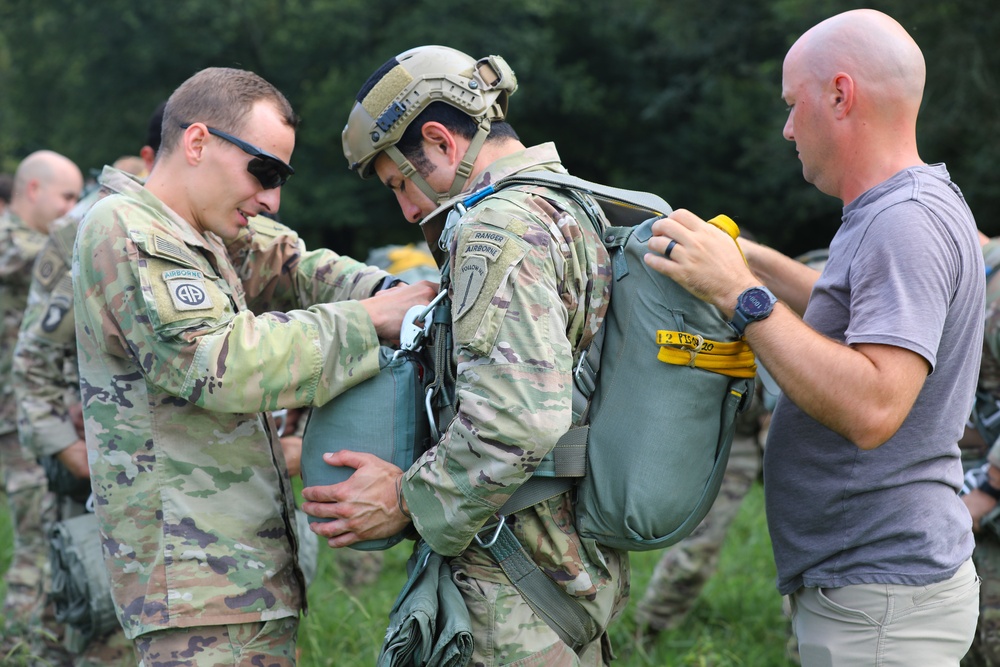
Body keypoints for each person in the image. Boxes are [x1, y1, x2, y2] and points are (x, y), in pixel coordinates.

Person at [644, 9, 983, 665]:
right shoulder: (904, 204)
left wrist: (738, 294)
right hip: (874, 586)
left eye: (793, 105)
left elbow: (874, 406)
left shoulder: (901, 224)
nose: (787, 128)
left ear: (839, 94)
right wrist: (746, 255)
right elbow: (841, 304)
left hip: (881, 597)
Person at [72, 67, 435, 666]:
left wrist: (410, 295)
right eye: (263, 172)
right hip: (195, 587)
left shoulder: (202, 231)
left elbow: (297, 266)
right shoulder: (129, 229)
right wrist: (371, 318)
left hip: (231, 578)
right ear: (196, 143)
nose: (271, 198)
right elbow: (220, 362)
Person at [302, 45, 628, 665]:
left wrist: (404, 498)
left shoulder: (495, 228)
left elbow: (518, 419)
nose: (404, 209)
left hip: (512, 586)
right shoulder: (565, 207)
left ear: (441, 142)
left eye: (400, 182)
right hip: (566, 565)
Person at [11, 104, 165, 667]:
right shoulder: (79, 235)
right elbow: (32, 367)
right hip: (84, 470)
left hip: (173, 490)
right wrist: (76, 455)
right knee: (79, 610)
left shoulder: (222, 232)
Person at [0, 149, 83, 643]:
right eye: (67, 197)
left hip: (38, 415)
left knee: (52, 536)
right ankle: (20, 647)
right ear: (33, 190)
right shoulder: (13, 241)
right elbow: (46, 256)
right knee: (37, 543)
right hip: (21, 418)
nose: (72, 209)